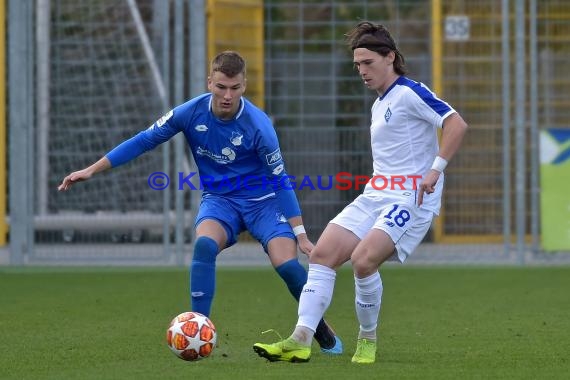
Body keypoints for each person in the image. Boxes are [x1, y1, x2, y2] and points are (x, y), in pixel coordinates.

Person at [58, 50, 343, 354]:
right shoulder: (190, 112)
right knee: (204, 245)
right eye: (221, 87)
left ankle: (321, 330)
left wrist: (301, 235)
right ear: (210, 82)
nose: (227, 95)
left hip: (264, 203)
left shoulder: (260, 126)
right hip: (220, 201)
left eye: (234, 88)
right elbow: (143, 140)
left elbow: (280, 180)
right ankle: (198, 329)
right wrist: (92, 169)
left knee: (287, 266)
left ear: (244, 85)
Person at [253, 21, 468, 364]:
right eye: (357, 65)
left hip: (410, 198)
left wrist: (434, 171)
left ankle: (367, 340)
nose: (362, 71)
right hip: (376, 193)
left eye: (368, 63)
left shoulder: (411, 92)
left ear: (390, 58)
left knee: (363, 260)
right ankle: (300, 338)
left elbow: (456, 123)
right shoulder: (378, 103)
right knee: (322, 254)